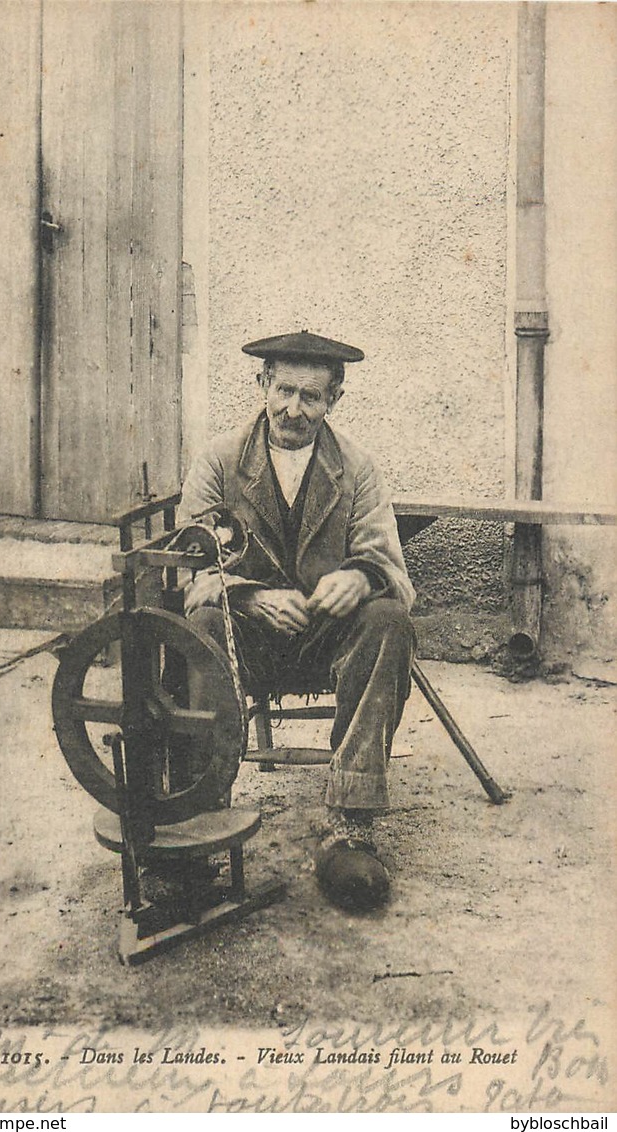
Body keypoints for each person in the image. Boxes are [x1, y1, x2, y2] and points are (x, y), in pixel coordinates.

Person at [179, 330, 416, 910]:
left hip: (324, 639)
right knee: (201, 626)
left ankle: (351, 827)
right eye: (284, 390)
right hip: (246, 639)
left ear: (335, 398)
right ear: (262, 385)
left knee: (388, 620)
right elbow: (186, 578)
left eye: (311, 397)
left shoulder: (357, 468)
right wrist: (248, 597)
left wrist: (360, 578)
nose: (294, 409)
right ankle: (199, 817)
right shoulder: (218, 460)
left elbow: (394, 571)